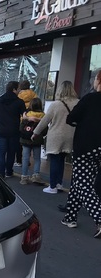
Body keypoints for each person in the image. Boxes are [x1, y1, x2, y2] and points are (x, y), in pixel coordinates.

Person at [61, 69, 101, 238]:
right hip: (99, 149)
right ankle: (70, 217)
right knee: (80, 181)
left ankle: (99, 217)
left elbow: (71, 118)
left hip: (85, 147)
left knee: (84, 185)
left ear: (98, 80)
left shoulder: (90, 98)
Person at [32, 81, 79, 194]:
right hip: (70, 135)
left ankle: (52, 186)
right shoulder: (78, 103)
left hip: (56, 136)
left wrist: (35, 132)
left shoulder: (55, 104)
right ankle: (59, 184)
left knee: (54, 160)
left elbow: (45, 120)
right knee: (61, 160)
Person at [0, 81, 27, 178]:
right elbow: (25, 117)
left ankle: (0, 173)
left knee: (0, 153)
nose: (19, 91)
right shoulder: (19, 102)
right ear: (14, 89)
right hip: (14, 132)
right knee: (11, 153)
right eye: (18, 89)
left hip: (1, 132)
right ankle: (9, 171)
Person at [19, 97, 45, 185]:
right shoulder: (43, 116)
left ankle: (24, 177)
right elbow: (45, 130)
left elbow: (21, 128)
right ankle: (36, 175)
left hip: (26, 140)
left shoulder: (26, 115)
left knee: (25, 158)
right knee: (37, 158)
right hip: (37, 140)